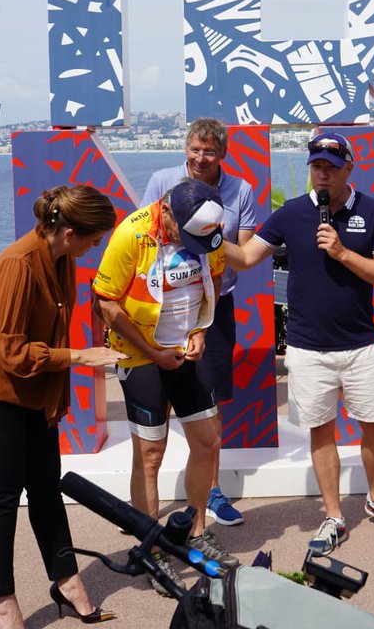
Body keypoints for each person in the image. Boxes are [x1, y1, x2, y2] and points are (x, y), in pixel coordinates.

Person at [221, 131, 374, 557]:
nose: (323, 174)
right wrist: (209, 238)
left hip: (361, 344)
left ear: (349, 169)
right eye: (316, 166)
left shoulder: (373, 211)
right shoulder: (291, 213)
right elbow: (247, 257)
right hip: (308, 347)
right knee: (321, 430)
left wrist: (343, 252)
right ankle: (333, 516)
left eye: (331, 167)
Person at [0, 185, 122, 628]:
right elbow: (10, 352)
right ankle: (1, 602)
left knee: (46, 488)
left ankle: (67, 581)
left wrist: (58, 393)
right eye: (94, 239)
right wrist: (80, 357)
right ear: (69, 233)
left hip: (34, 390)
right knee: (3, 495)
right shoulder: (17, 265)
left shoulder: (63, 259)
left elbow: (53, 333)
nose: (95, 247)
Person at [94, 178, 240, 596]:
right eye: (186, 237)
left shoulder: (210, 229)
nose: (192, 245)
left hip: (185, 349)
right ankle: (152, 548)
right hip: (140, 354)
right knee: (150, 454)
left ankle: (196, 531)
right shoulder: (131, 233)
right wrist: (152, 352)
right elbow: (106, 303)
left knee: (207, 442)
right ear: (169, 213)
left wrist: (201, 330)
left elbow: (212, 281)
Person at [141, 118, 258, 527]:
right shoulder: (161, 180)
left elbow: (245, 254)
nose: (201, 158)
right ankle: (146, 502)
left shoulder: (241, 190)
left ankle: (212, 492)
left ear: (222, 154)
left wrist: (206, 235)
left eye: (209, 151)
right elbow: (145, 239)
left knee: (209, 404)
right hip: (163, 308)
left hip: (214, 308)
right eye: (195, 149)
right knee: (157, 403)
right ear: (185, 149)